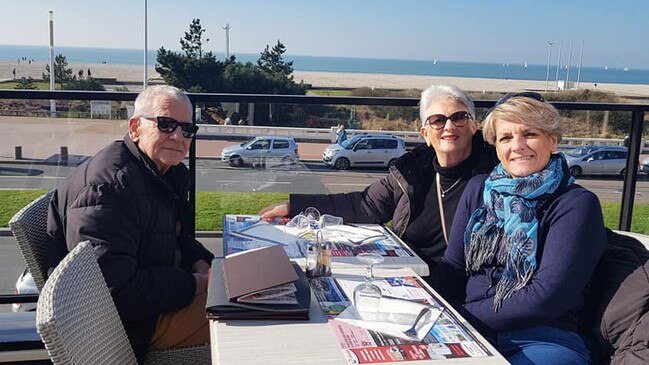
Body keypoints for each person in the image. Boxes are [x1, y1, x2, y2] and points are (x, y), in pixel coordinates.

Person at [260, 85, 498, 284]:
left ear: (473, 125)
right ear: (425, 133)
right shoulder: (411, 171)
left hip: (460, 287)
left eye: (458, 117)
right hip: (406, 278)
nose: (449, 126)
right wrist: (298, 205)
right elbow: (365, 205)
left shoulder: (495, 175)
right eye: (438, 120)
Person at [46, 85, 213, 363]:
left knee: (251, 296)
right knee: (250, 321)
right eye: (166, 124)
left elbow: (173, 235)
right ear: (135, 127)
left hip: (154, 303)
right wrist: (194, 284)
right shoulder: (108, 189)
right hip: (128, 328)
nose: (178, 136)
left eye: (187, 129)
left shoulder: (161, 172)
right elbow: (116, 292)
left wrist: (200, 261)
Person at [438, 92, 606, 364]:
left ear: (553, 141)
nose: (517, 146)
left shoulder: (576, 204)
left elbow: (545, 298)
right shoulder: (479, 189)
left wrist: (459, 317)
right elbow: (454, 267)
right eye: (505, 138)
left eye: (529, 134)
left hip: (542, 338)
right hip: (469, 330)